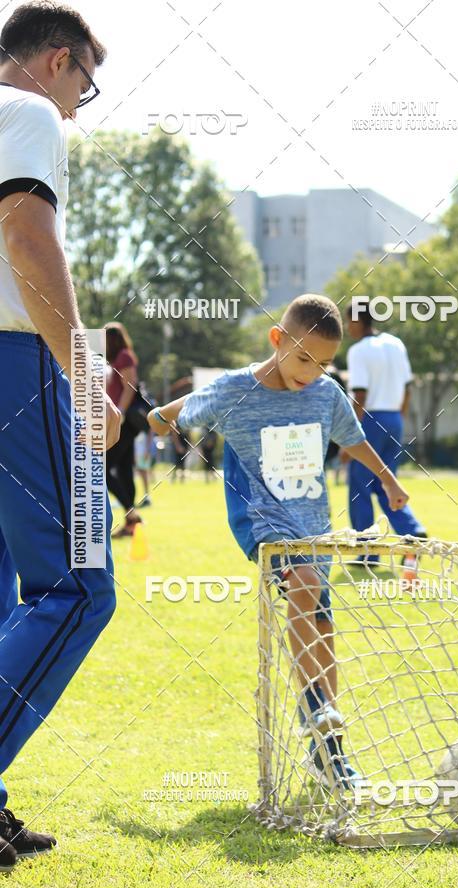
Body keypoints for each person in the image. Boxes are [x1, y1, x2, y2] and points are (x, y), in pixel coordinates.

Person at [147, 294, 411, 789]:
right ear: (277, 340)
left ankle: (329, 751)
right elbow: (161, 418)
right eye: (303, 358)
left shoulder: (326, 393)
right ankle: (315, 712)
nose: (311, 371)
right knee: (305, 587)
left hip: (313, 523)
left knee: (322, 625)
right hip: (262, 521)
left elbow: (353, 440)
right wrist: (169, 413)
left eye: (324, 362)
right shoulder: (232, 390)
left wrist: (389, 481)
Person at [0, 3, 118, 869]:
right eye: (86, 82)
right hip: (13, 364)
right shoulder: (28, 109)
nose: (81, 104)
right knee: (79, 586)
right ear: (57, 60)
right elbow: (26, 232)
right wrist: (86, 377)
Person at [345, 300, 426, 555]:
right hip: (394, 419)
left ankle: (366, 550)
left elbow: (359, 394)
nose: (348, 328)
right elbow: (407, 388)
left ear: (357, 321)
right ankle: (411, 530)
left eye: (348, 322)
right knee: (386, 482)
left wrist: (350, 435)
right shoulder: (395, 343)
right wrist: (398, 418)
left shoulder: (358, 350)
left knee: (359, 486)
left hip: (369, 420)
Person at [105, 322, 143, 536]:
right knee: (124, 470)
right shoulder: (115, 359)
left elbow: (130, 386)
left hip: (125, 422)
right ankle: (131, 523)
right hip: (122, 421)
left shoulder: (124, 357)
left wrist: (119, 413)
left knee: (101, 469)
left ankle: (131, 514)